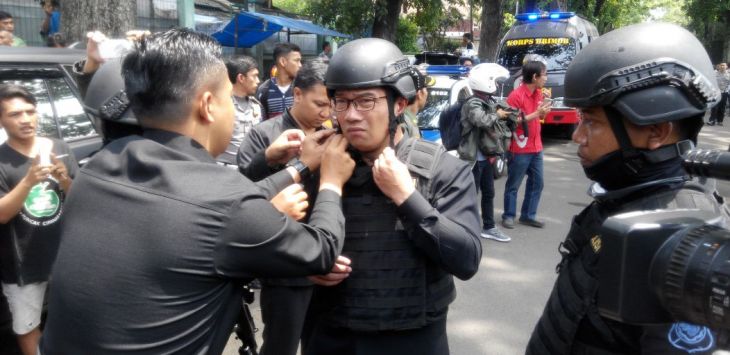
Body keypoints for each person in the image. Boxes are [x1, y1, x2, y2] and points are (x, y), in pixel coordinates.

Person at [39, 28, 356, 354]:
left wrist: (299, 167)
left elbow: (210, 203)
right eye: (228, 98)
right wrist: (331, 178)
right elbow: (322, 250)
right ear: (208, 105)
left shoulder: (98, 168)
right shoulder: (226, 203)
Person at [526, 22, 729, 355]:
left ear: (657, 131)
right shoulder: (627, 198)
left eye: (591, 121)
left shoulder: (681, 246)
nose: (578, 136)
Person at [302, 37, 482, 355]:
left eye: (366, 101)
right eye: (341, 102)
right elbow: (273, 242)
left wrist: (407, 196)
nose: (351, 115)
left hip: (412, 340)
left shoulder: (443, 171)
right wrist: (306, 264)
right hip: (331, 335)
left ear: (398, 104)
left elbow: (466, 260)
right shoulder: (320, 168)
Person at [237, 58, 333, 355]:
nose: (326, 112)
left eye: (332, 104)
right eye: (319, 103)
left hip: (329, 262)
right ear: (297, 94)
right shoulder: (265, 135)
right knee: (281, 346)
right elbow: (241, 193)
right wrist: (269, 158)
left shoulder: (335, 134)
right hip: (284, 268)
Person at [0, 84, 77, 355]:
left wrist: (63, 178)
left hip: (65, 256)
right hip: (22, 264)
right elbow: (2, 213)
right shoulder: (2, 159)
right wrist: (29, 180)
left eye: (30, 111)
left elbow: (79, 200)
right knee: (27, 327)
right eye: (15, 114)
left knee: (72, 319)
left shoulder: (60, 147)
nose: (25, 119)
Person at [458, 63, 514, 243]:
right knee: (470, 195)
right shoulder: (473, 102)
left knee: (489, 193)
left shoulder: (488, 101)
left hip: (486, 158)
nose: (496, 85)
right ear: (486, 82)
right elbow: (480, 120)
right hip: (472, 159)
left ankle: (488, 227)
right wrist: (498, 115)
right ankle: (466, 228)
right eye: (494, 81)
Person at [502, 59, 551, 229]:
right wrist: (537, 113)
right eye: (544, 74)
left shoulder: (539, 93)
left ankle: (528, 215)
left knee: (537, 182)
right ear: (535, 76)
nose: (546, 78)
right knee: (514, 184)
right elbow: (511, 121)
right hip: (520, 147)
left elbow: (540, 118)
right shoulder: (516, 96)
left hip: (536, 147)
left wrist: (543, 111)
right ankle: (508, 215)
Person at [217, 55, 263, 165]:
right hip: (226, 169)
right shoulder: (220, 105)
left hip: (250, 169)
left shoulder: (256, 106)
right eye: (255, 76)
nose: (258, 81)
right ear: (241, 78)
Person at [257, 43, 302, 120]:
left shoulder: (302, 87)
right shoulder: (264, 89)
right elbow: (262, 122)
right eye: (296, 61)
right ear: (283, 61)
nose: (300, 65)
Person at [402, 69, 431, 139]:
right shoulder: (405, 122)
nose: (427, 93)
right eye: (426, 89)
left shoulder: (406, 119)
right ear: (420, 94)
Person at [709, 62, 729, 126]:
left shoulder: (728, 75)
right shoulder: (714, 73)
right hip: (715, 92)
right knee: (714, 106)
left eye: (724, 65)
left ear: (726, 67)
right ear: (719, 66)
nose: (722, 67)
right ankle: (712, 120)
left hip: (724, 92)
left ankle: (720, 121)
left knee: (722, 107)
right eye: (721, 65)